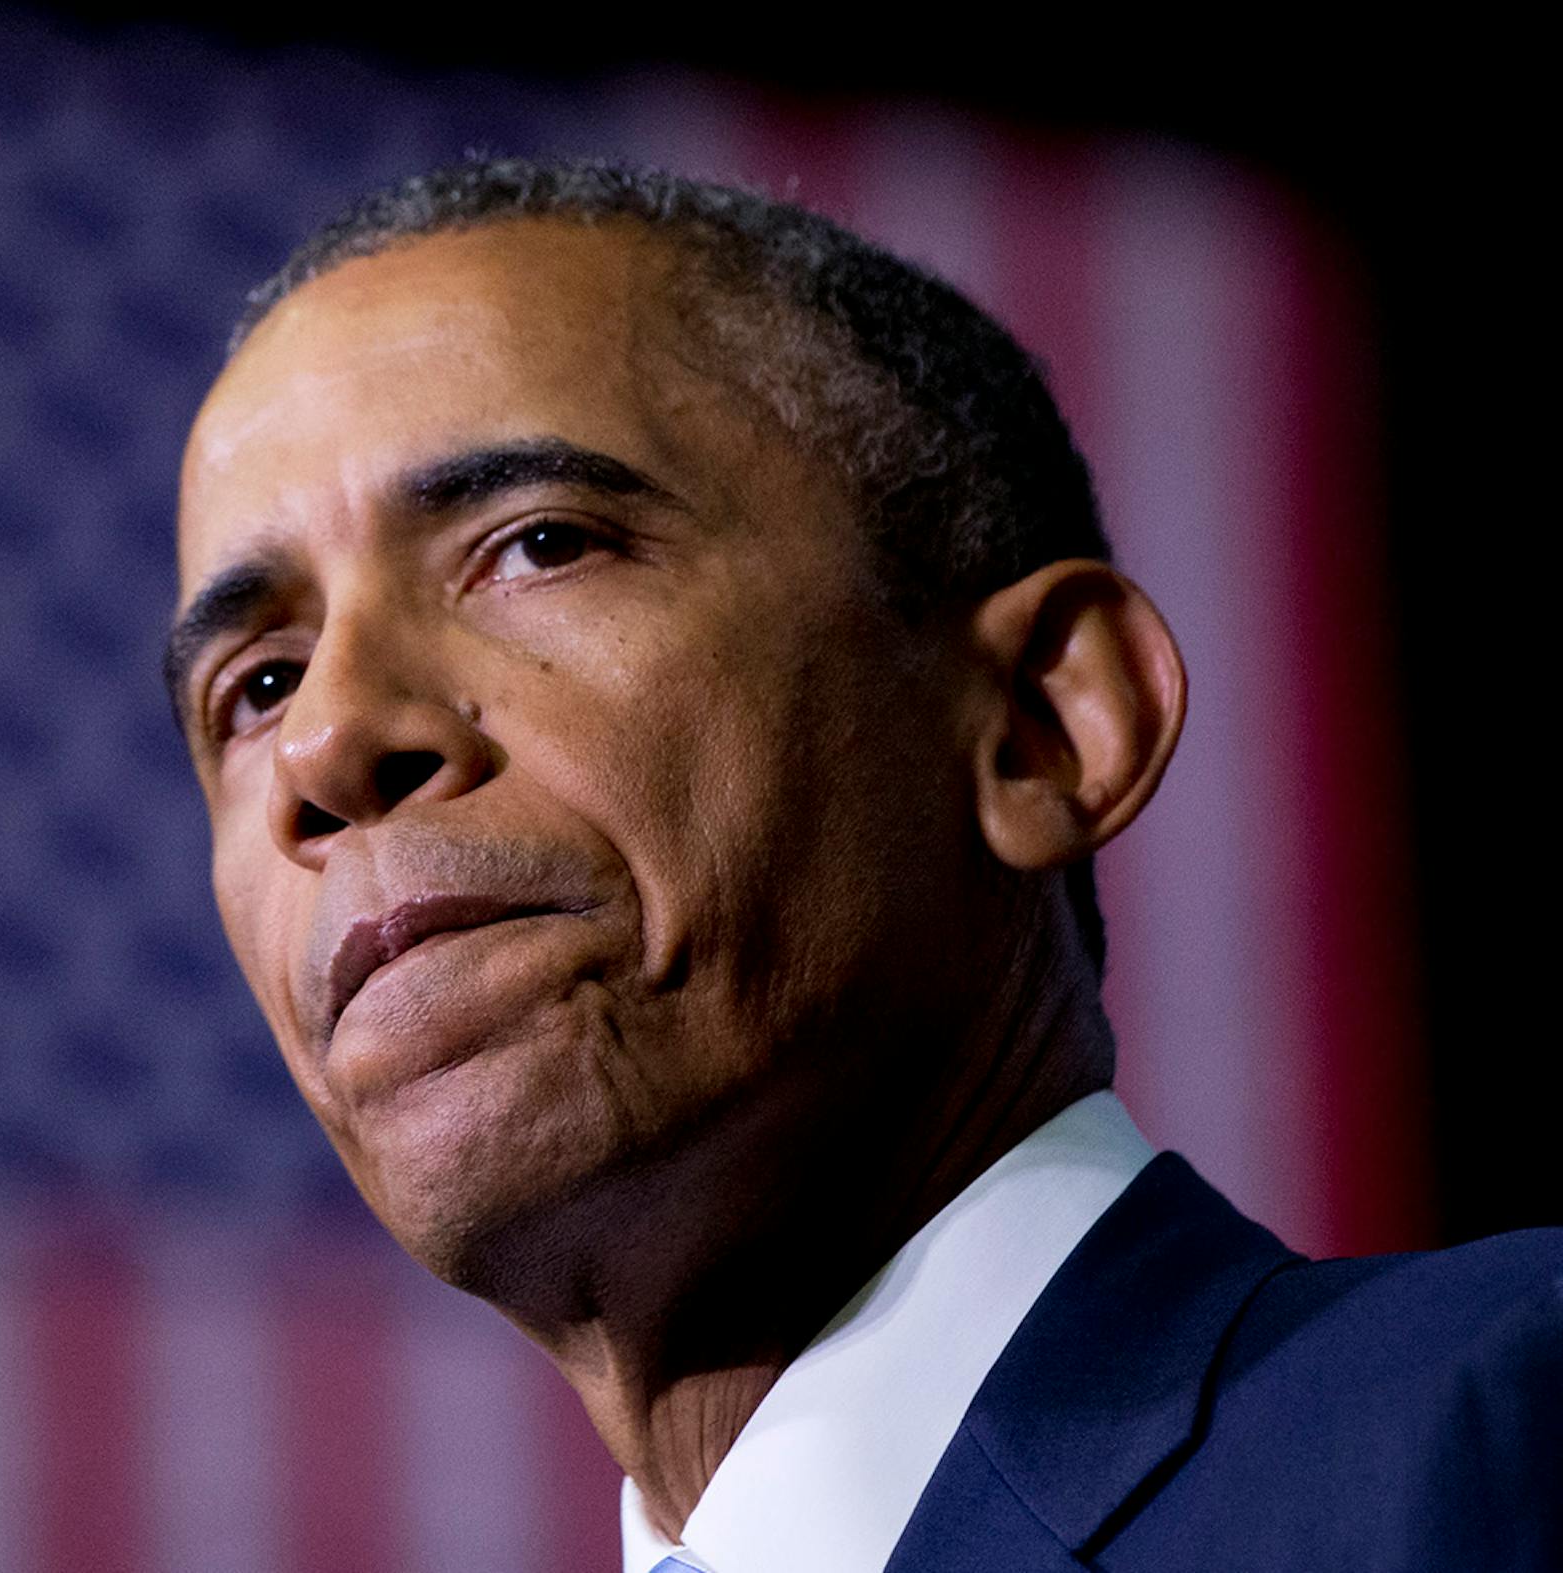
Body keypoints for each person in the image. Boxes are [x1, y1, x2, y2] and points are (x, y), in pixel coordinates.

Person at [164, 158, 1562, 1572]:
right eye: (256, 685)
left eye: (537, 544)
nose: (328, 743)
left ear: (1039, 726)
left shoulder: (1506, 1429)